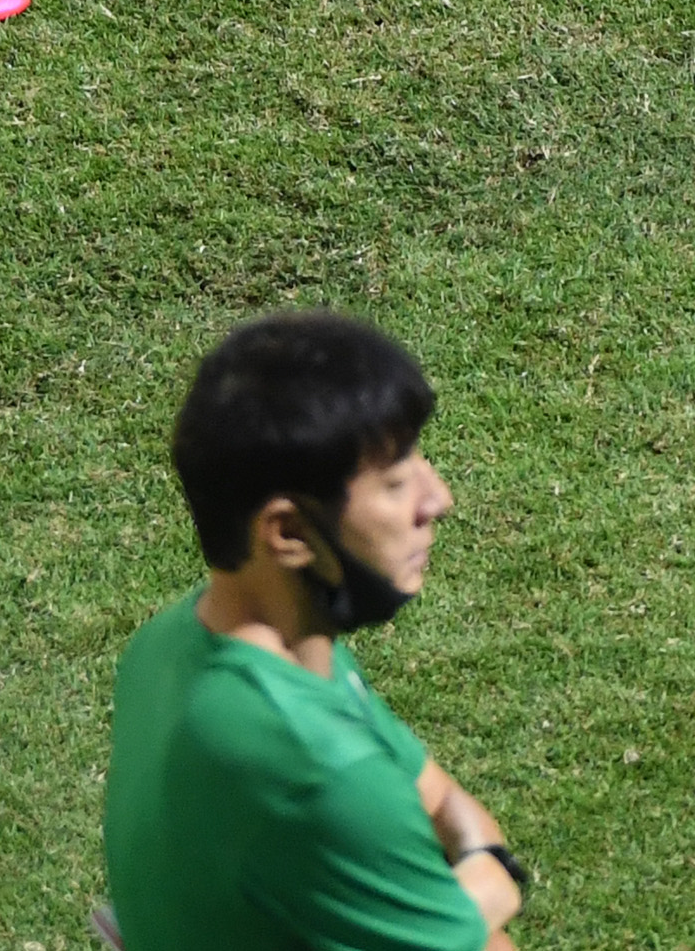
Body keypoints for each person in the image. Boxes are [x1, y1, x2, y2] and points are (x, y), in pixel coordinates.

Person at [105, 313, 524, 951]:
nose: (436, 499)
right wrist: (497, 879)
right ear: (289, 533)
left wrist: (476, 877)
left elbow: (435, 795)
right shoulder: (315, 768)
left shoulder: (175, 643)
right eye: (393, 484)